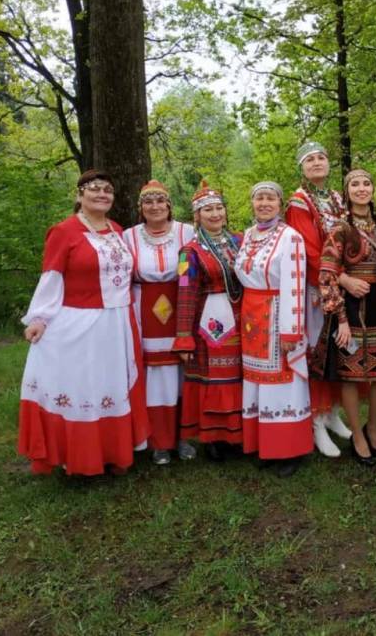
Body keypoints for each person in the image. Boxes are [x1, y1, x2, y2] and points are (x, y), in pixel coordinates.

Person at [18, 169, 148, 476]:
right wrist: (39, 318)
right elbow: (51, 276)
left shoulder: (116, 229)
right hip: (81, 324)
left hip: (116, 324)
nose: (102, 194)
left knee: (110, 384)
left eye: (108, 190)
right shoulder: (64, 232)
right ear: (79, 195)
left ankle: (114, 452)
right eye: (94, 189)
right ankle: (79, 456)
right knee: (83, 387)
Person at [317, 168, 376, 466]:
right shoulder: (340, 229)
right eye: (355, 184)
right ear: (347, 191)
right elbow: (326, 272)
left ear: (373, 189)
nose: (362, 188)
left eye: (366, 183)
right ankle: (357, 433)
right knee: (351, 374)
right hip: (349, 311)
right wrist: (342, 304)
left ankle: (373, 426)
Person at [235, 181, 313, 476]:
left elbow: (295, 282)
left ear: (280, 204)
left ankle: (288, 450)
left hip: (279, 313)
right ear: (252, 203)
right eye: (259, 198)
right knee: (257, 382)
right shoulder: (247, 236)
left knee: (283, 384)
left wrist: (291, 331)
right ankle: (264, 444)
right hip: (252, 316)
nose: (264, 203)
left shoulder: (290, 237)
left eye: (270, 198)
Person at [286, 141, 353, 457]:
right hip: (318, 287)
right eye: (309, 159)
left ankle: (331, 412)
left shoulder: (337, 198)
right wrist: (338, 278)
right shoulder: (299, 203)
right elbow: (310, 250)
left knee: (337, 352)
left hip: (342, 281)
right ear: (302, 167)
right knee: (318, 350)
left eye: (321, 157)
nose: (316, 163)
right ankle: (315, 421)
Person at [171, 182, 244, 462]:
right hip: (211, 321)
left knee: (238, 376)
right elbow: (185, 293)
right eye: (207, 210)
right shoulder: (188, 253)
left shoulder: (239, 242)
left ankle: (238, 433)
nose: (215, 214)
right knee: (215, 379)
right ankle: (214, 438)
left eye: (218, 208)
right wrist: (184, 336)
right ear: (197, 216)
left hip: (241, 315)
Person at [125, 180, 196, 465]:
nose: (154, 206)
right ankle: (159, 441)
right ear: (141, 208)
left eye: (160, 201)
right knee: (155, 379)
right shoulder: (128, 237)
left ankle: (183, 437)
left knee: (183, 373)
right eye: (148, 202)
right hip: (144, 309)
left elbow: (197, 268)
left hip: (182, 306)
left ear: (168, 205)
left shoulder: (187, 232)